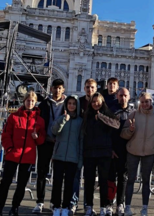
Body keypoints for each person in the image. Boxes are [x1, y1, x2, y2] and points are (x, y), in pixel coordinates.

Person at [0, 91, 46, 216]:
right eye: (28, 100)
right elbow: (6, 135)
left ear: (35, 103)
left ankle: (15, 207)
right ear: (24, 101)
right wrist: (9, 149)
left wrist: (37, 137)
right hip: (13, 154)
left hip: (28, 156)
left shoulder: (39, 120)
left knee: (22, 185)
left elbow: (41, 140)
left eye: (33, 101)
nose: (30, 103)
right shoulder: (14, 117)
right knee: (5, 183)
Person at [121, 92, 154, 216]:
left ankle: (145, 207)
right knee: (131, 179)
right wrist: (130, 130)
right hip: (133, 151)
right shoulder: (133, 115)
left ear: (150, 102)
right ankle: (127, 206)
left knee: (146, 181)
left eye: (147, 101)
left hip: (149, 152)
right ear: (139, 103)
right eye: (142, 102)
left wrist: (153, 146)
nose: (144, 104)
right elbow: (123, 133)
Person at [83, 92, 120, 216]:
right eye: (93, 102)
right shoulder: (87, 115)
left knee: (104, 181)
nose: (95, 104)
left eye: (98, 101)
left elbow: (116, 125)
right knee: (89, 181)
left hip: (104, 152)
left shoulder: (108, 113)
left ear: (102, 102)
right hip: (89, 152)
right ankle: (89, 206)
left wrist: (101, 117)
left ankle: (104, 206)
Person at [33, 79, 66, 214]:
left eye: (59, 88)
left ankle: (54, 202)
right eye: (55, 88)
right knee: (41, 172)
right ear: (51, 89)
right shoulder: (44, 104)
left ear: (63, 89)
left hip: (59, 143)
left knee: (58, 174)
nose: (57, 90)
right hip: (45, 142)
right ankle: (40, 201)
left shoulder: (68, 104)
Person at [51, 95, 84, 216]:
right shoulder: (61, 117)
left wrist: (80, 160)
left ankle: (66, 206)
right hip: (59, 156)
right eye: (69, 103)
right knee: (57, 183)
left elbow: (81, 141)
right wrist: (63, 120)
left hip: (73, 157)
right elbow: (54, 131)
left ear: (77, 106)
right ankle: (56, 206)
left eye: (74, 104)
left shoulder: (80, 122)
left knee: (69, 184)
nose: (71, 105)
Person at [101, 85, 132, 216]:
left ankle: (120, 203)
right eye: (120, 95)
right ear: (117, 96)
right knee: (110, 178)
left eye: (125, 95)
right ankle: (108, 203)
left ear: (129, 97)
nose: (123, 98)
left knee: (123, 178)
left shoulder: (133, 112)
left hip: (127, 150)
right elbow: (106, 132)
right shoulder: (111, 110)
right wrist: (110, 148)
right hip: (113, 149)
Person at [70, 78, 97, 214]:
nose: (89, 89)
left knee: (89, 177)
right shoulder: (79, 102)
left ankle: (88, 204)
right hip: (78, 143)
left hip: (92, 145)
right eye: (87, 87)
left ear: (96, 88)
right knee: (75, 175)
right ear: (84, 88)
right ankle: (73, 203)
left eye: (92, 87)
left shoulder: (98, 102)